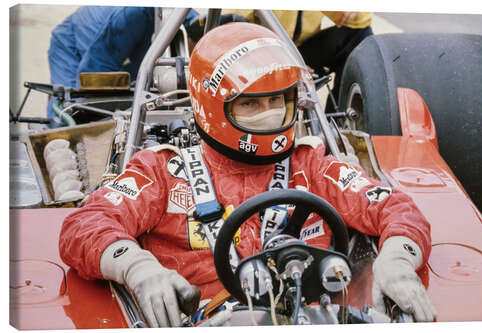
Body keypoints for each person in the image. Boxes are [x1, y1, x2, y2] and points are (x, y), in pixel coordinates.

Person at [59, 22, 436, 327]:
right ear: (212, 106)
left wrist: (398, 261)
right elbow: (84, 226)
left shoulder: (313, 165)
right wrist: (137, 267)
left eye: (277, 101)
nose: (269, 114)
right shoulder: (162, 171)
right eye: (252, 104)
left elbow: (397, 209)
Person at [189, 10, 373, 103]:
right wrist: (282, 60)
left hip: (300, 51)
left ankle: (338, 122)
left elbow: (359, 20)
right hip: (252, 51)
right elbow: (228, 26)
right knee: (234, 21)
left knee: (360, 36)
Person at [46, 6, 198, 118]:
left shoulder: (192, 20)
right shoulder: (137, 13)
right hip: (72, 45)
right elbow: (94, 71)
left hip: (119, 52)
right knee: (68, 113)